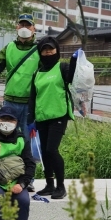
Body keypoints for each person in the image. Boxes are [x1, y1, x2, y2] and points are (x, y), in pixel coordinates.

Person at [28, 37, 78, 200]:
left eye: (51, 49)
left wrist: (74, 61)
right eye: (44, 49)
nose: (48, 52)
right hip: (42, 116)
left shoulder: (62, 67)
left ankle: (61, 186)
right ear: (40, 52)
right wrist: (31, 117)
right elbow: (33, 96)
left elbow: (73, 78)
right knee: (44, 152)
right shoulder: (37, 73)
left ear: (57, 50)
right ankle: (49, 185)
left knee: (51, 149)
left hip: (59, 115)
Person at [0, 13, 40, 139]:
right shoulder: (9, 48)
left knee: (28, 138)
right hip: (10, 102)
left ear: (34, 29)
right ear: (17, 27)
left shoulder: (39, 49)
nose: (24, 28)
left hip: (30, 102)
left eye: (28, 25)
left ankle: (28, 159)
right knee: (7, 135)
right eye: (22, 25)